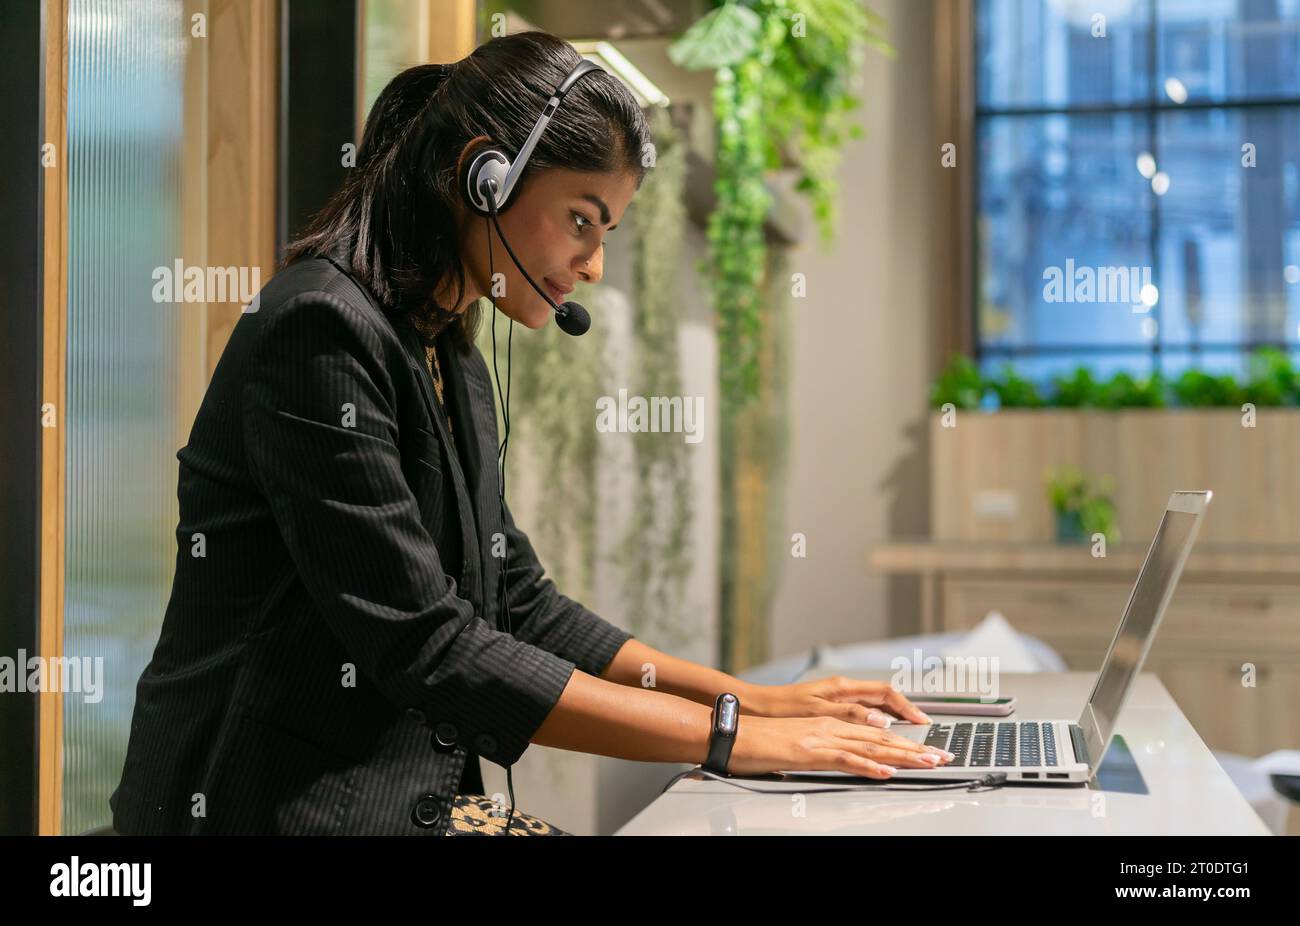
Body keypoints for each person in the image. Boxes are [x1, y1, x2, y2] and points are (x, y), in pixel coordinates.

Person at [109, 30, 951, 837]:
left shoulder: (449, 352)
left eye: (607, 232)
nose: (594, 266)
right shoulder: (318, 332)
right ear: (483, 176)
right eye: (582, 220)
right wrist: (734, 741)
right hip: (260, 809)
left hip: (389, 806)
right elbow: (429, 648)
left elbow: (518, 602)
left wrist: (745, 700)